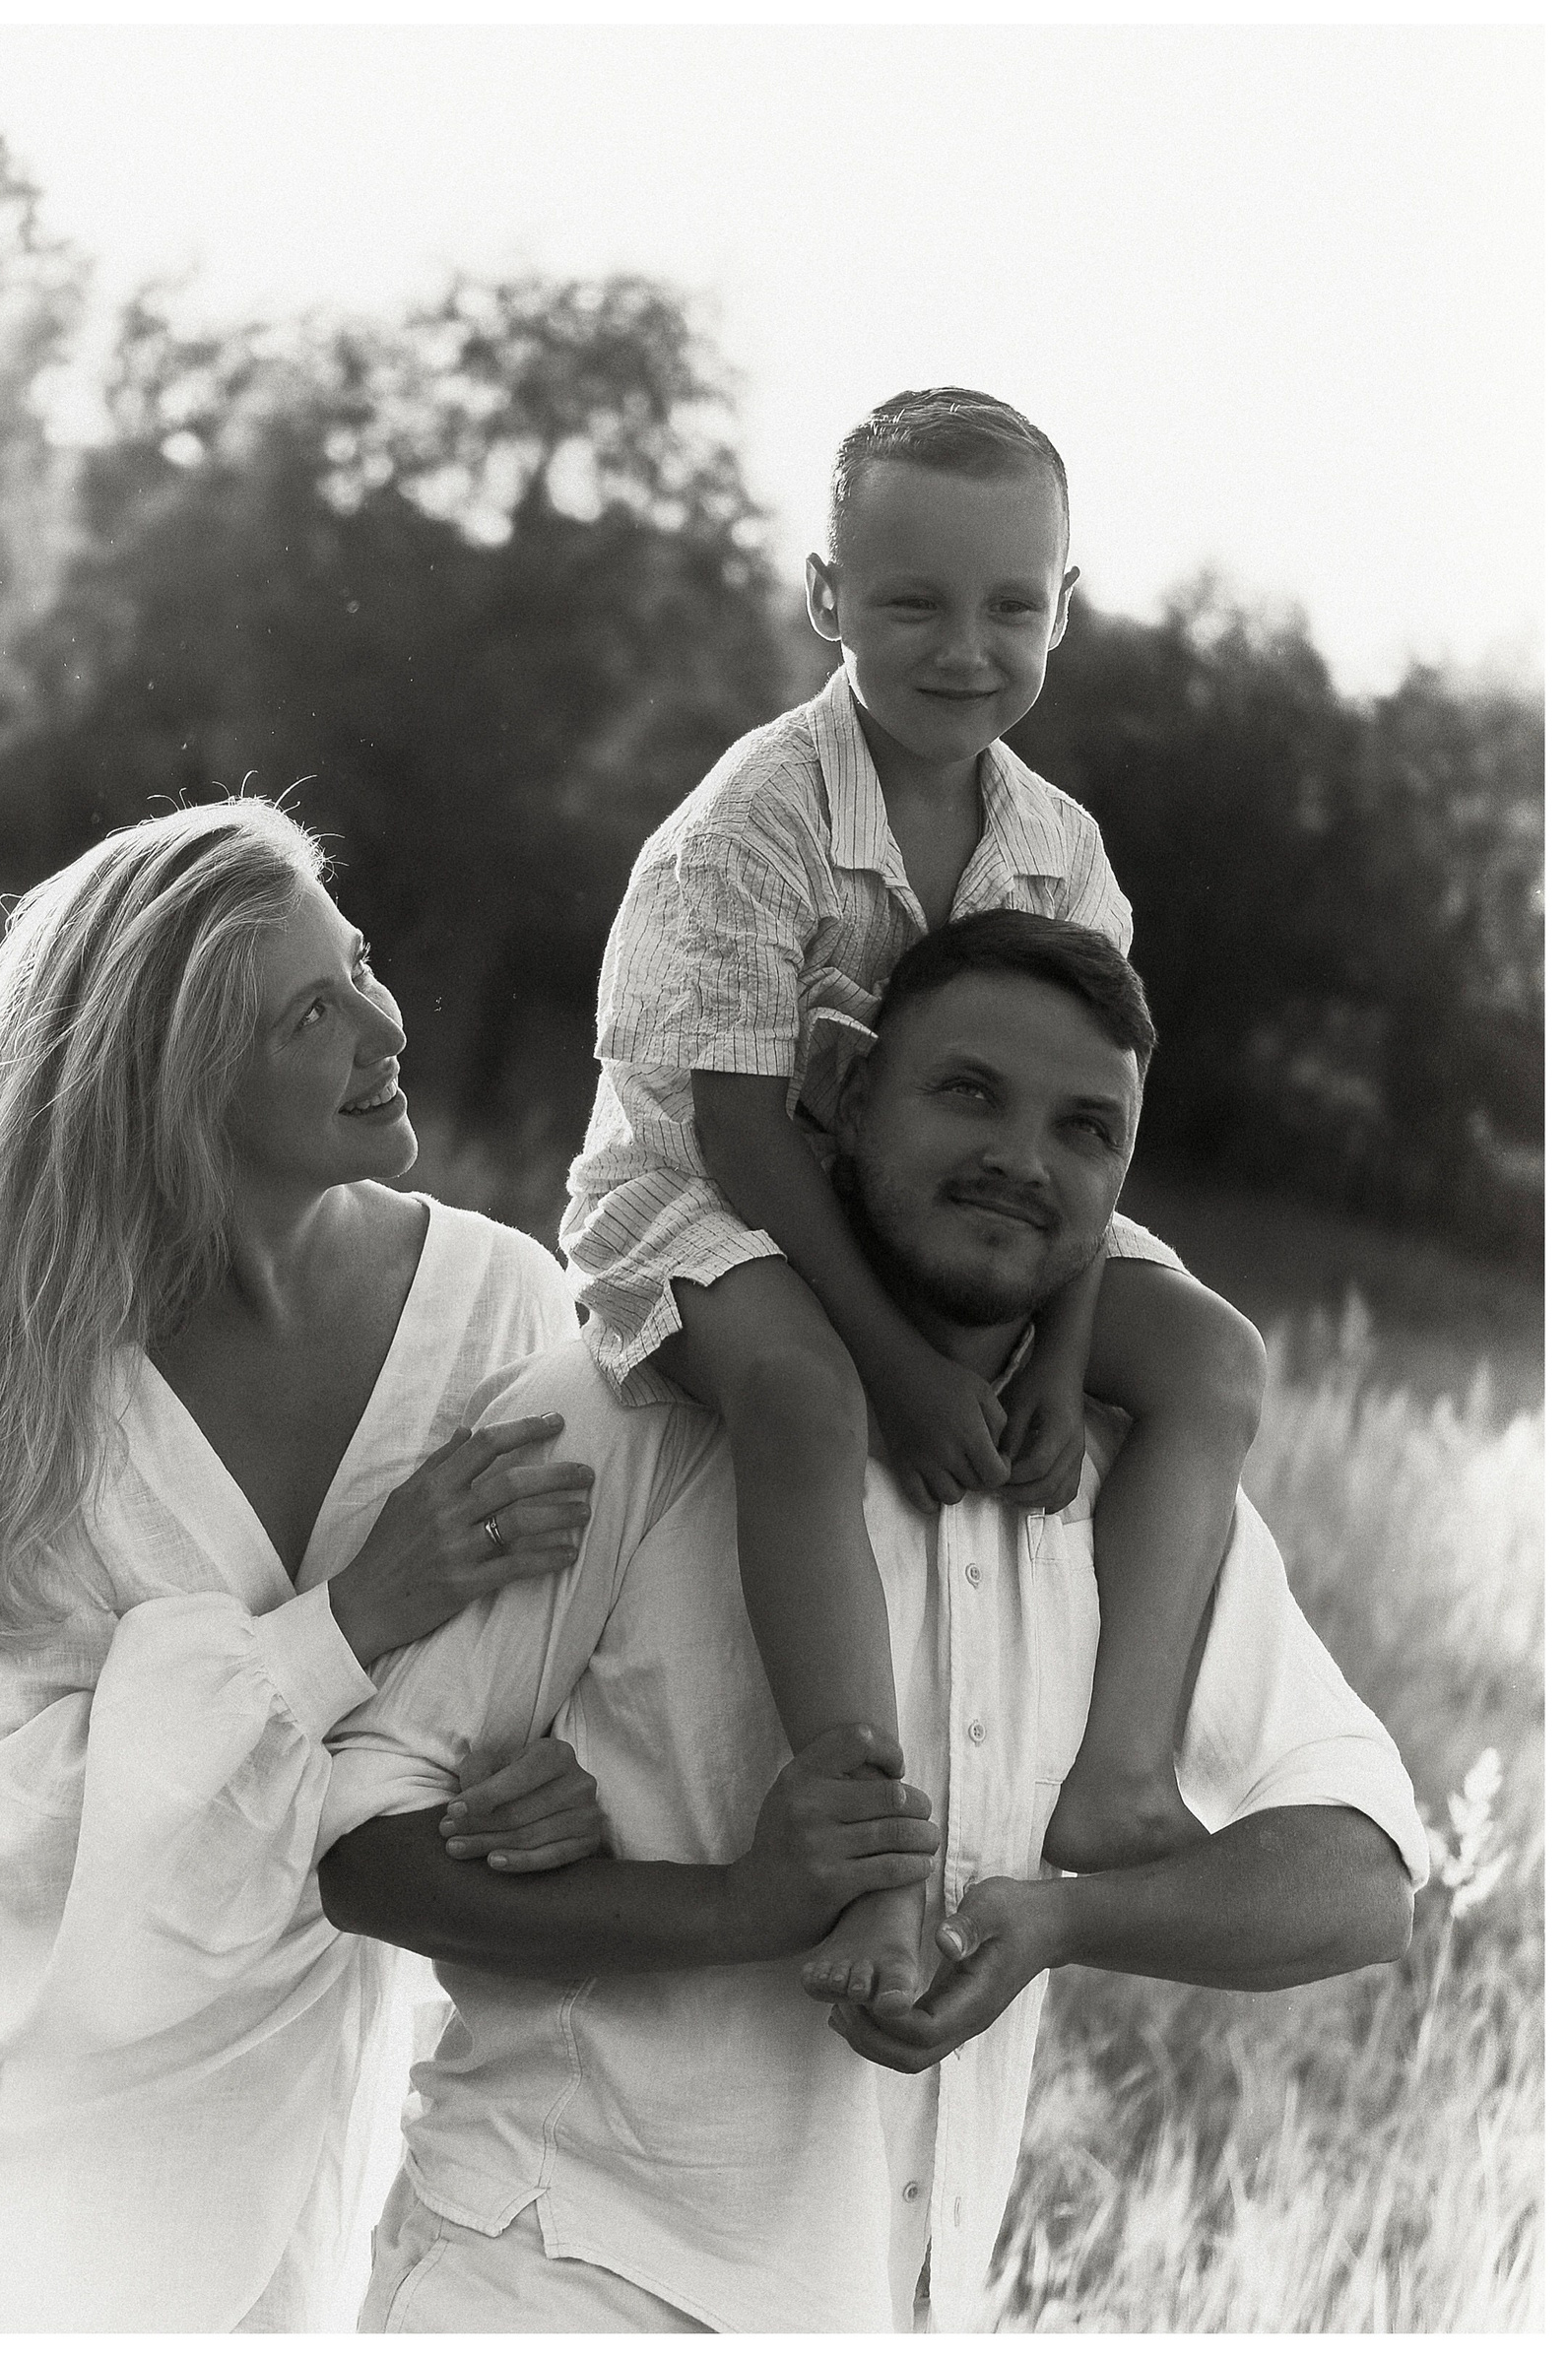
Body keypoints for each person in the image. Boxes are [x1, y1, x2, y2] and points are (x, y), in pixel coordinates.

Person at [318, 911, 1427, 2334]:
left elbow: (1363, 1881)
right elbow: (362, 1845)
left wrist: (1064, 1921)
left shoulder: (1126, 1490)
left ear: (1119, 1189)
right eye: (968, 1092)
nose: (1023, 1158)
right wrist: (737, 1906)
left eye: (1085, 1129)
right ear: (846, 1101)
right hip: (554, 2274)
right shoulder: (630, 1410)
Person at [0, 800, 621, 2330]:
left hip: (239, 2160)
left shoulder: (498, 1314)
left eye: (361, 963)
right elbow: (8, 1824)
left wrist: (554, 1785)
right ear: (179, 1082)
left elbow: (549, 1683)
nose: (385, 1026)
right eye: (309, 1014)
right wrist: (352, 1618)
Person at [559, 386, 1270, 2014]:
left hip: (969, 1201)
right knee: (803, 1397)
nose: (966, 649)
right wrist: (899, 1365)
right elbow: (742, 1130)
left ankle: (1121, 1776)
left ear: (1064, 608)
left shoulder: (1063, 853)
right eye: (911, 604)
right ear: (826, 597)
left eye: (1012, 607)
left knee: (1214, 1362)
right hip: (712, 1195)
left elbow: (1094, 1131)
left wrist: (1060, 1343)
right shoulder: (752, 820)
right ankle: (870, 1860)